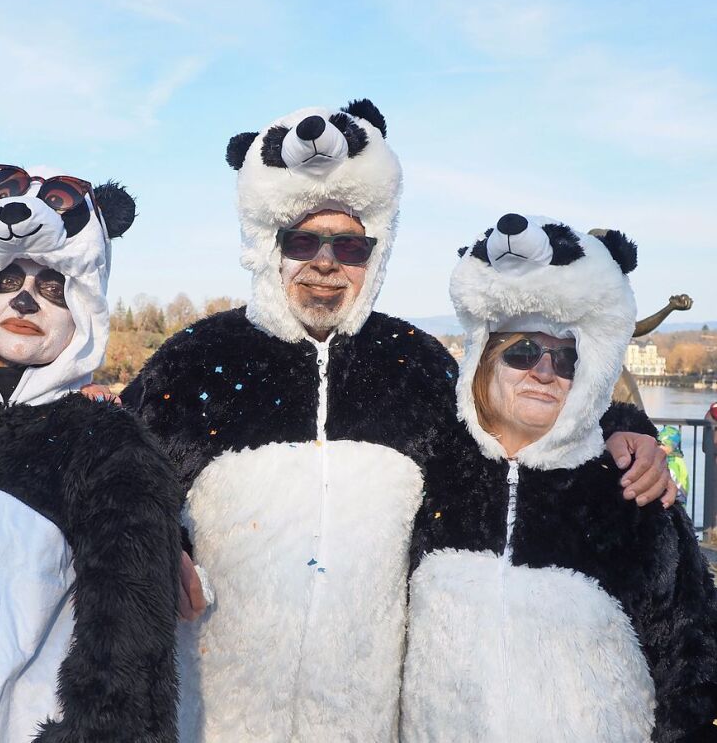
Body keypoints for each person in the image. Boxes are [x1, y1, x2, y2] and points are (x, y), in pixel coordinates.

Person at [122, 100, 672, 740]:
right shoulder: (199, 359)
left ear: (374, 254)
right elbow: (116, 464)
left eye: (350, 246)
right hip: (214, 714)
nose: (326, 263)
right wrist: (157, 538)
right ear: (271, 246)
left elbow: (506, 426)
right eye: (304, 240)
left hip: (362, 719)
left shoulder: (412, 363)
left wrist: (622, 425)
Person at [403, 214, 717, 742]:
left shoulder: (627, 491)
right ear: (484, 358)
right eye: (523, 351)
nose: (545, 372)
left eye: (567, 359)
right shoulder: (431, 470)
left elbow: (692, 664)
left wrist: (626, 426)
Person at [0, 165, 182, 741]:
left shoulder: (107, 446)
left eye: (52, 288)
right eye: (8, 283)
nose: (26, 302)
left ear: (82, 312)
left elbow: (128, 672)